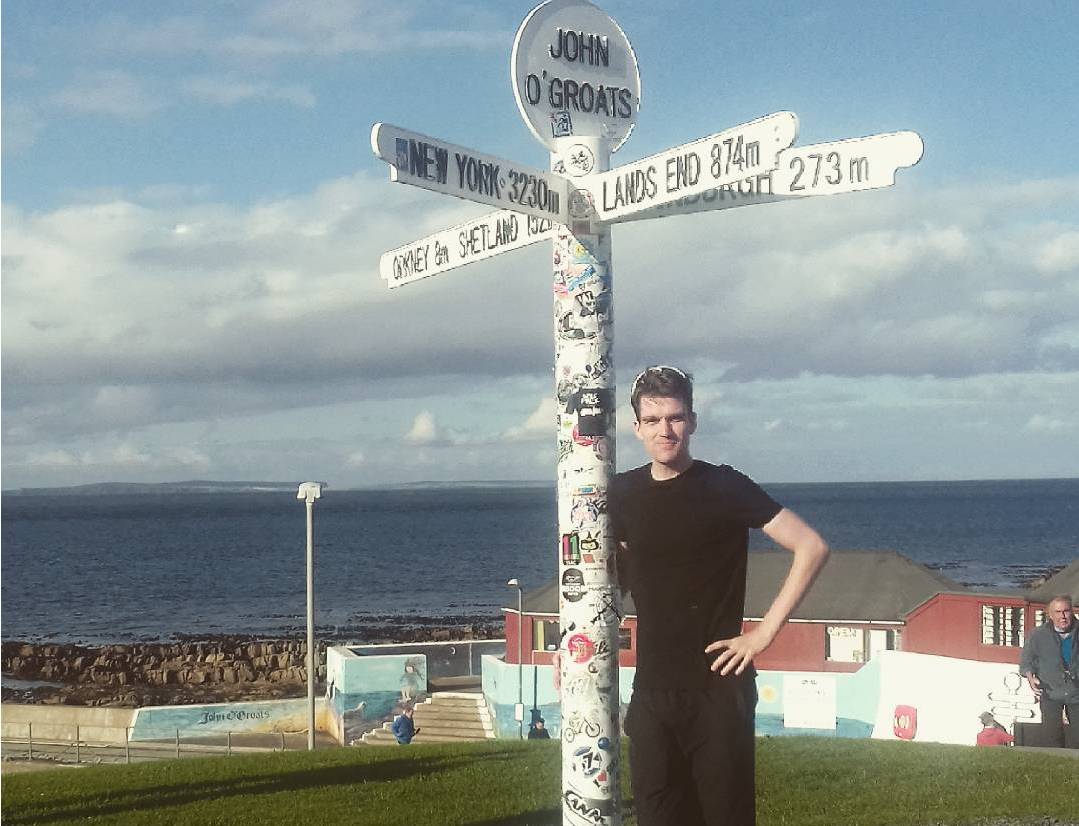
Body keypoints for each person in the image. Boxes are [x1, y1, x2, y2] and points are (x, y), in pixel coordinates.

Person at [610, 366, 830, 826]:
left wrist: (762, 636)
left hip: (718, 688)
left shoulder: (724, 486)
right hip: (652, 690)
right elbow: (619, 579)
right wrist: (576, 647)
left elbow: (811, 546)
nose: (665, 430)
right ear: (636, 428)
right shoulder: (623, 494)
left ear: (693, 421)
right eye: (653, 421)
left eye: (675, 418)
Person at [1020, 594, 1078, 748]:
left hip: (1076, 692)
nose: (1063, 616)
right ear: (1050, 615)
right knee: (1052, 736)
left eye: (1066, 611)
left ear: (1072, 611)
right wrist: (1030, 676)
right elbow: (1026, 662)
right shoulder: (1037, 635)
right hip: (1050, 690)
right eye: (1058, 612)